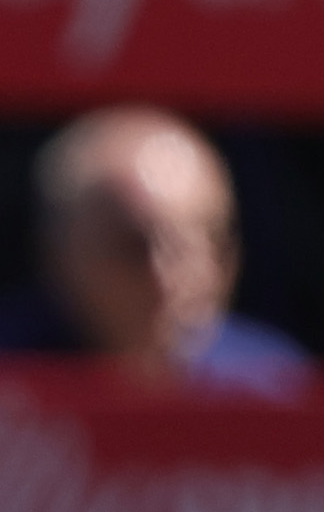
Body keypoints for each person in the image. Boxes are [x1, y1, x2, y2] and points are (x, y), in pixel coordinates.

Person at [0, 106, 307, 394]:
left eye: (185, 248)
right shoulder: (13, 375)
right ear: (58, 256)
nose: (162, 275)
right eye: (134, 246)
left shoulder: (271, 385)